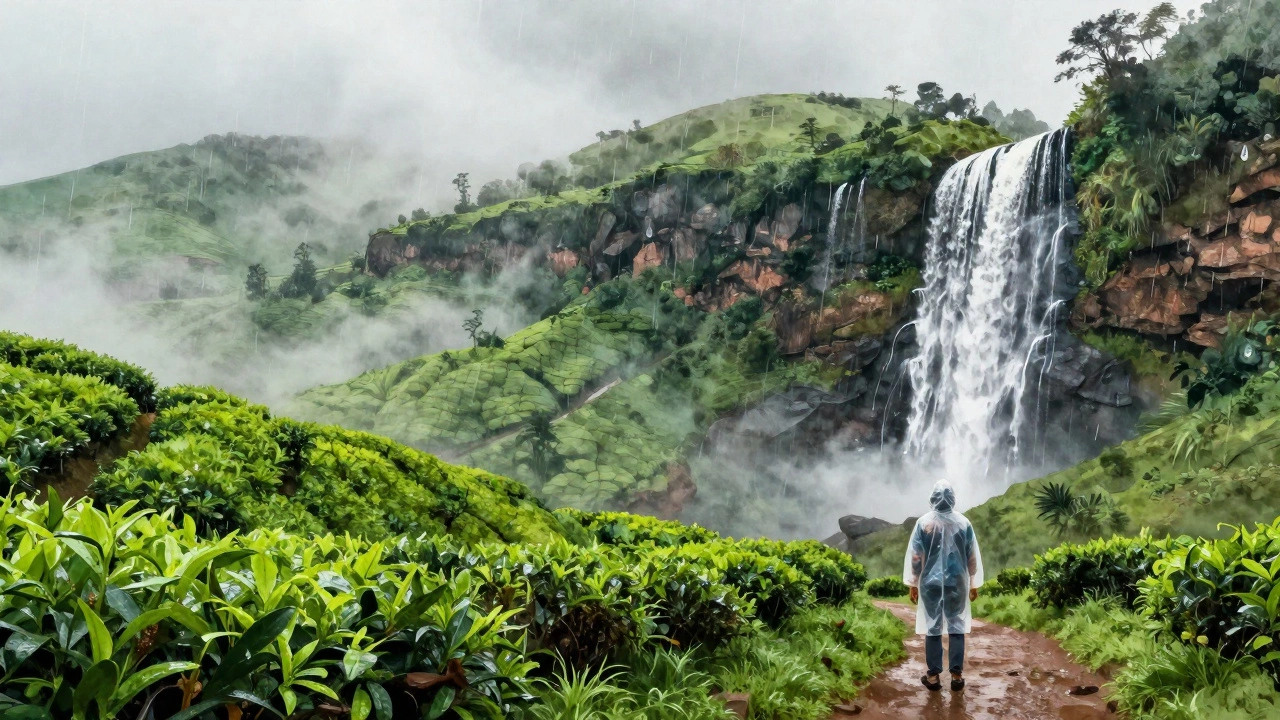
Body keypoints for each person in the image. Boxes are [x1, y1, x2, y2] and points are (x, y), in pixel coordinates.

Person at [903, 479, 983, 692]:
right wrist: (973, 582)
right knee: (956, 625)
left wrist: (913, 582)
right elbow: (971, 556)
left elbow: (917, 557)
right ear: (952, 499)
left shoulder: (923, 523)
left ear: (933, 498)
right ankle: (956, 676)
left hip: (930, 583)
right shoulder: (963, 523)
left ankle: (933, 676)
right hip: (956, 582)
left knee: (933, 626)